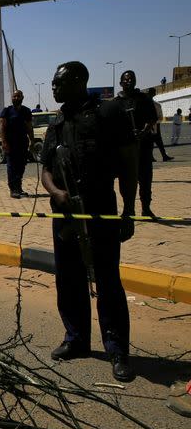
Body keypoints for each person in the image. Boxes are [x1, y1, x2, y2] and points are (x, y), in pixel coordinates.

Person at [41, 61, 138, 382]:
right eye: (53, 82)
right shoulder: (56, 121)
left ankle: (117, 350)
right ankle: (76, 339)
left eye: (60, 82)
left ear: (81, 80)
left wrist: (128, 211)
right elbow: (46, 170)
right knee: (68, 279)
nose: (54, 87)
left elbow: (128, 165)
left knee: (108, 281)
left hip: (100, 211)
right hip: (65, 215)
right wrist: (56, 192)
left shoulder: (108, 114)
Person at [113, 70, 158, 217]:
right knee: (126, 182)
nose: (129, 81)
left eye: (132, 79)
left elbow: (152, 119)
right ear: (120, 83)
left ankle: (146, 207)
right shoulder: (116, 103)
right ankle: (128, 209)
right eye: (126, 80)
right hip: (125, 148)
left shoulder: (143, 99)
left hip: (143, 146)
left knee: (145, 179)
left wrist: (143, 132)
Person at [0, 90, 35, 198]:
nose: (16, 98)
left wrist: (32, 141)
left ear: (22, 97)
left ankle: (19, 188)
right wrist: (4, 142)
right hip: (10, 143)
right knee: (12, 166)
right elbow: (2, 126)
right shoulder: (7, 111)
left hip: (23, 143)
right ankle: (13, 189)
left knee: (21, 166)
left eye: (18, 96)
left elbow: (29, 127)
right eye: (14, 96)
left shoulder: (26, 111)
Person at [146, 88, 172, 161]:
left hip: (154, 125)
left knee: (156, 141)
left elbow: (160, 117)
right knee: (152, 142)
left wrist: (154, 122)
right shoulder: (149, 104)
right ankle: (159, 156)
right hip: (150, 125)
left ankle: (163, 156)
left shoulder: (156, 105)